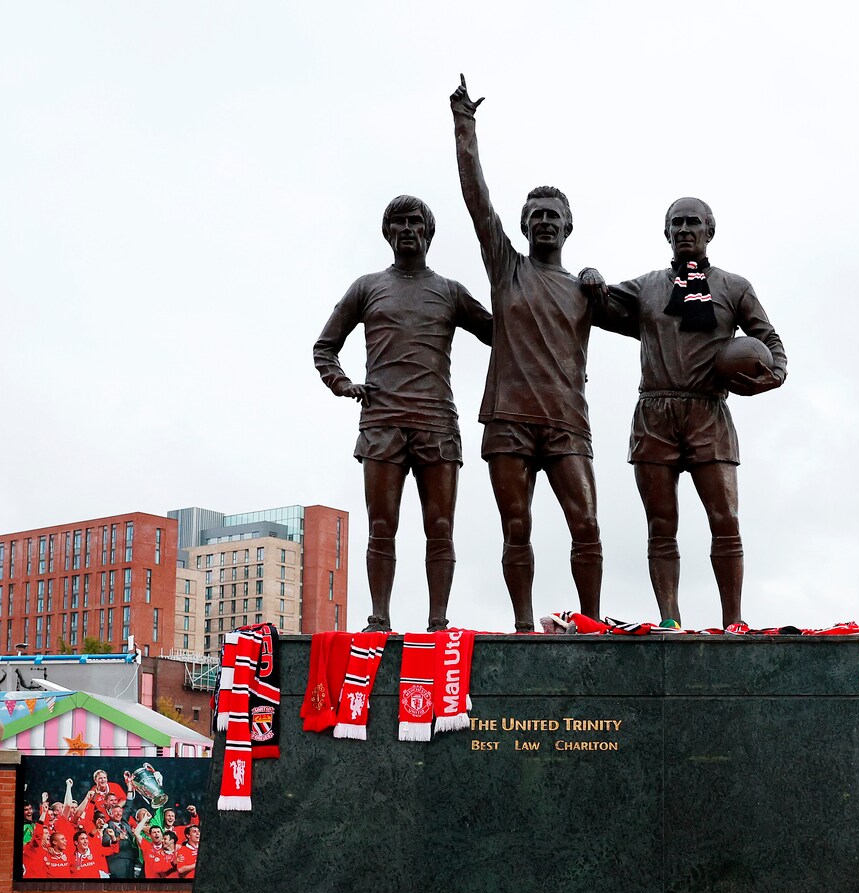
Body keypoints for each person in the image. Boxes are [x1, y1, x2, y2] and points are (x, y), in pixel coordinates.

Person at [582, 197, 786, 627]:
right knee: (661, 525)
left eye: (693, 222)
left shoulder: (734, 287)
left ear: (710, 230)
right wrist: (589, 276)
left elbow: (771, 342)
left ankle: (733, 621)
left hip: (708, 413)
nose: (684, 229)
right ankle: (669, 621)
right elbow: (598, 304)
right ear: (666, 232)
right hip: (655, 414)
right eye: (676, 223)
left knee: (725, 520)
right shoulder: (647, 287)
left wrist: (773, 376)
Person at [451, 74, 604, 630]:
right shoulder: (506, 267)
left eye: (552, 216)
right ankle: (521, 626)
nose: (544, 222)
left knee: (586, 526)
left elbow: (651, 321)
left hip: (566, 421)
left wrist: (599, 283)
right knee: (516, 528)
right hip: (509, 419)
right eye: (535, 215)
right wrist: (465, 126)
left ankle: (592, 624)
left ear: (568, 227)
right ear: (522, 226)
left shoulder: (586, 289)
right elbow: (477, 199)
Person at [315, 194, 492, 631]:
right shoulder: (366, 287)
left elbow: (501, 334)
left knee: (440, 527)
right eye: (399, 222)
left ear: (428, 232)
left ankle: (438, 622)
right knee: (381, 525)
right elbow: (325, 347)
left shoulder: (450, 291)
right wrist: (342, 383)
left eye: (415, 222)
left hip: (436, 423)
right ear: (388, 232)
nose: (408, 229)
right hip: (382, 423)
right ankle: (379, 618)